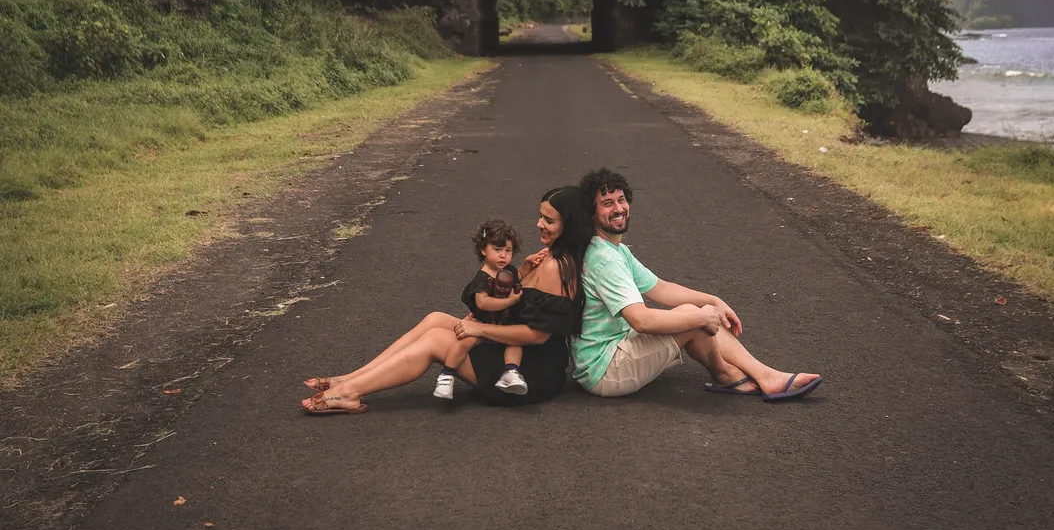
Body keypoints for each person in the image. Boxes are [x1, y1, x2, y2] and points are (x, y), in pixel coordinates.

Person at [300, 186, 591, 414]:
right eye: (540, 215)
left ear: (570, 225)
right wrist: (523, 273)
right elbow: (519, 302)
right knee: (436, 319)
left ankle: (350, 393)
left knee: (437, 341)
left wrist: (480, 329)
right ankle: (350, 379)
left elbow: (537, 336)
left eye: (549, 220)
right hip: (508, 348)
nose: (539, 223)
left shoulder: (558, 268)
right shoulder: (545, 258)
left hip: (528, 371)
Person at [572, 167, 823, 402]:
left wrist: (712, 301)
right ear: (591, 212)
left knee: (695, 310)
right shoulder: (605, 260)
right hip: (605, 370)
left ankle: (760, 374)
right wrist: (701, 316)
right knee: (694, 317)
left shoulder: (613, 250)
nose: (618, 208)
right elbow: (642, 321)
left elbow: (661, 288)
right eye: (607, 203)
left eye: (621, 200)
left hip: (611, 351)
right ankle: (729, 375)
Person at [433, 218, 528, 401]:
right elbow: (483, 303)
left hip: (504, 322)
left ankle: (511, 372)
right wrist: (509, 302)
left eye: (508, 251)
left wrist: (528, 266)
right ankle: (447, 375)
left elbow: (519, 277)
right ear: (484, 250)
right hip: (482, 322)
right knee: (465, 341)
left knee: (515, 341)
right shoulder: (483, 278)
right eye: (497, 250)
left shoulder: (509, 270)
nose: (503, 256)